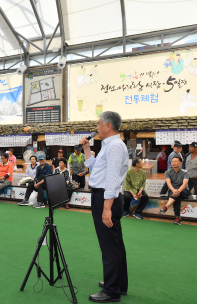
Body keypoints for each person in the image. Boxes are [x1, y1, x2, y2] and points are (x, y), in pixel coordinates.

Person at [80, 111, 128, 302]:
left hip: (106, 199)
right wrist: (86, 149)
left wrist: (106, 207)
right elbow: (96, 169)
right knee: (115, 243)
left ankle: (111, 290)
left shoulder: (115, 146)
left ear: (108, 125)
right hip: (105, 197)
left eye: (99, 124)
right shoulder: (109, 145)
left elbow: (113, 179)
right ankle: (118, 283)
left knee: (109, 245)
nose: (96, 127)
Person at [161, 156, 190, 225]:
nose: (173, 163)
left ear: (180, 163)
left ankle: (166, 206)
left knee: (177, 194)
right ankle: (177, 217)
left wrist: (177, 191)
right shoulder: (167, 172)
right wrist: (174, 190)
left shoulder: (185, 172)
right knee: (177, 196)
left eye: (175, 161)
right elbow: (168, 183)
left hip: (184, 191)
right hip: (173, 191)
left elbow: (184, 184)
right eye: (172, 161)